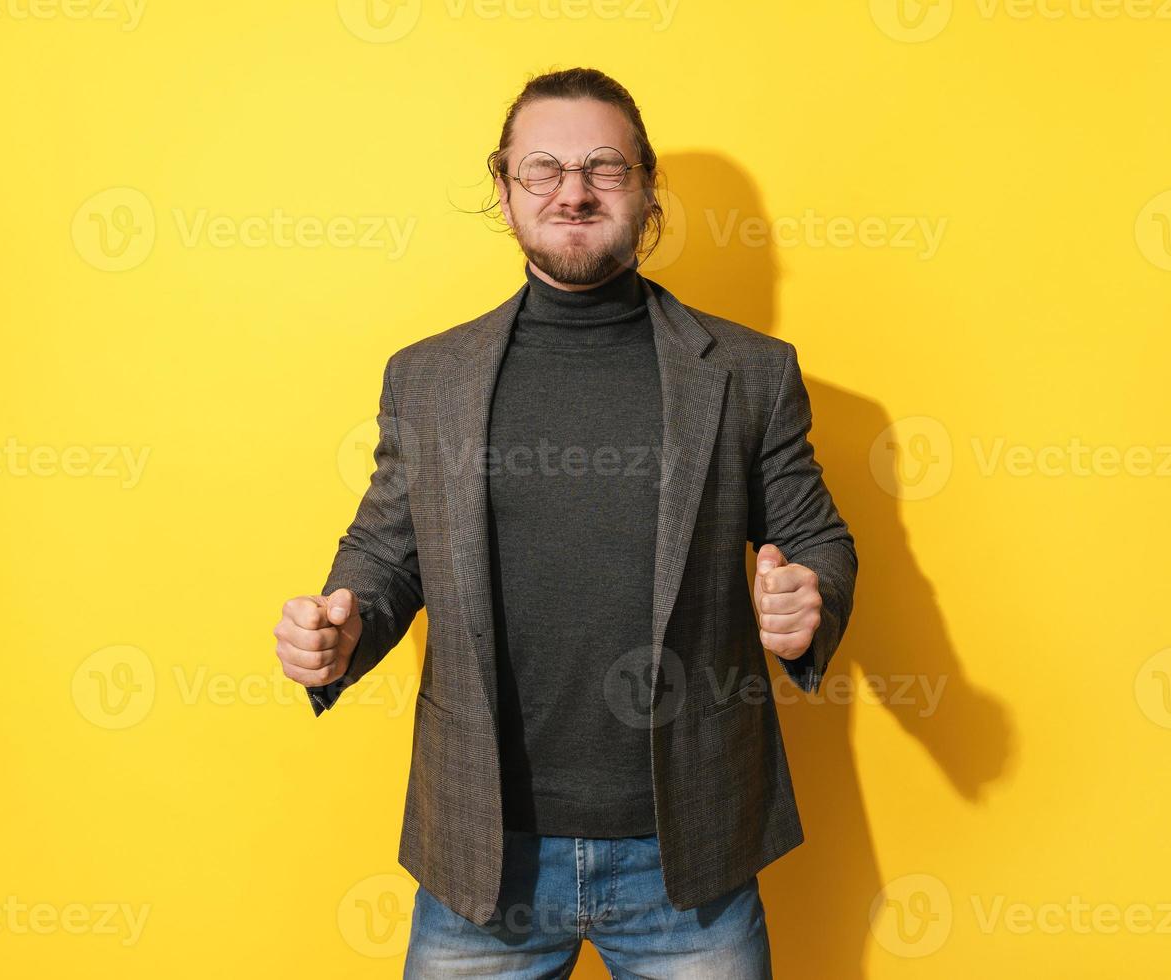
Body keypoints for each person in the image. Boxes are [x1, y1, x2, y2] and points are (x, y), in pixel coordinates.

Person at [272, 66, 857, 979]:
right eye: (540, 169)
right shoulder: (428, 377)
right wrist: (343, 629)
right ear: (502, 189)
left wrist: (809, 597)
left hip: (688, 864)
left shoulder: (750, 371)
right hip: (483, 859)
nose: (572, 191)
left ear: (646, 189)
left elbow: (818, 538)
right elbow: (388, 554)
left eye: (603, 168)